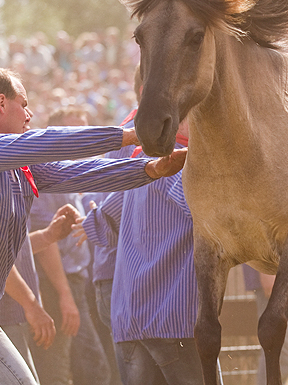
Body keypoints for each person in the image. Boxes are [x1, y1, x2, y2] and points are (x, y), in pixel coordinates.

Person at [0, 67, 185, 385]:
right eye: (24, 103)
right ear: (2, 103)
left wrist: (150, 168)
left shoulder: (15, 160)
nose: (30, 113)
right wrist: (129, 135)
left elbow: (80, 172)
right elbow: (42, 144)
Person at [78, 120, 206, 385]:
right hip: (172, 315)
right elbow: (208, 217)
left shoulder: (143, 163)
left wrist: (84, 221)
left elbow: (103, 223)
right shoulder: (182, 164)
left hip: (129, 315)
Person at [28, 107, 114, 385]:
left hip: (77, 283)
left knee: (80, 365)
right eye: (74, 131)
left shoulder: (71, 177)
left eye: (85, 130)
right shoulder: (47, 176)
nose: (82, 138)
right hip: (58, 285)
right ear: (56, 135)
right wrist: (65, 295)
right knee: (77, 367)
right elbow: (45, 240)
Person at [0, 207, 83, 384]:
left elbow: (12, 250)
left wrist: (47, 236)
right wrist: (32, 306)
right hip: (0, 314)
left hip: (12, 313)